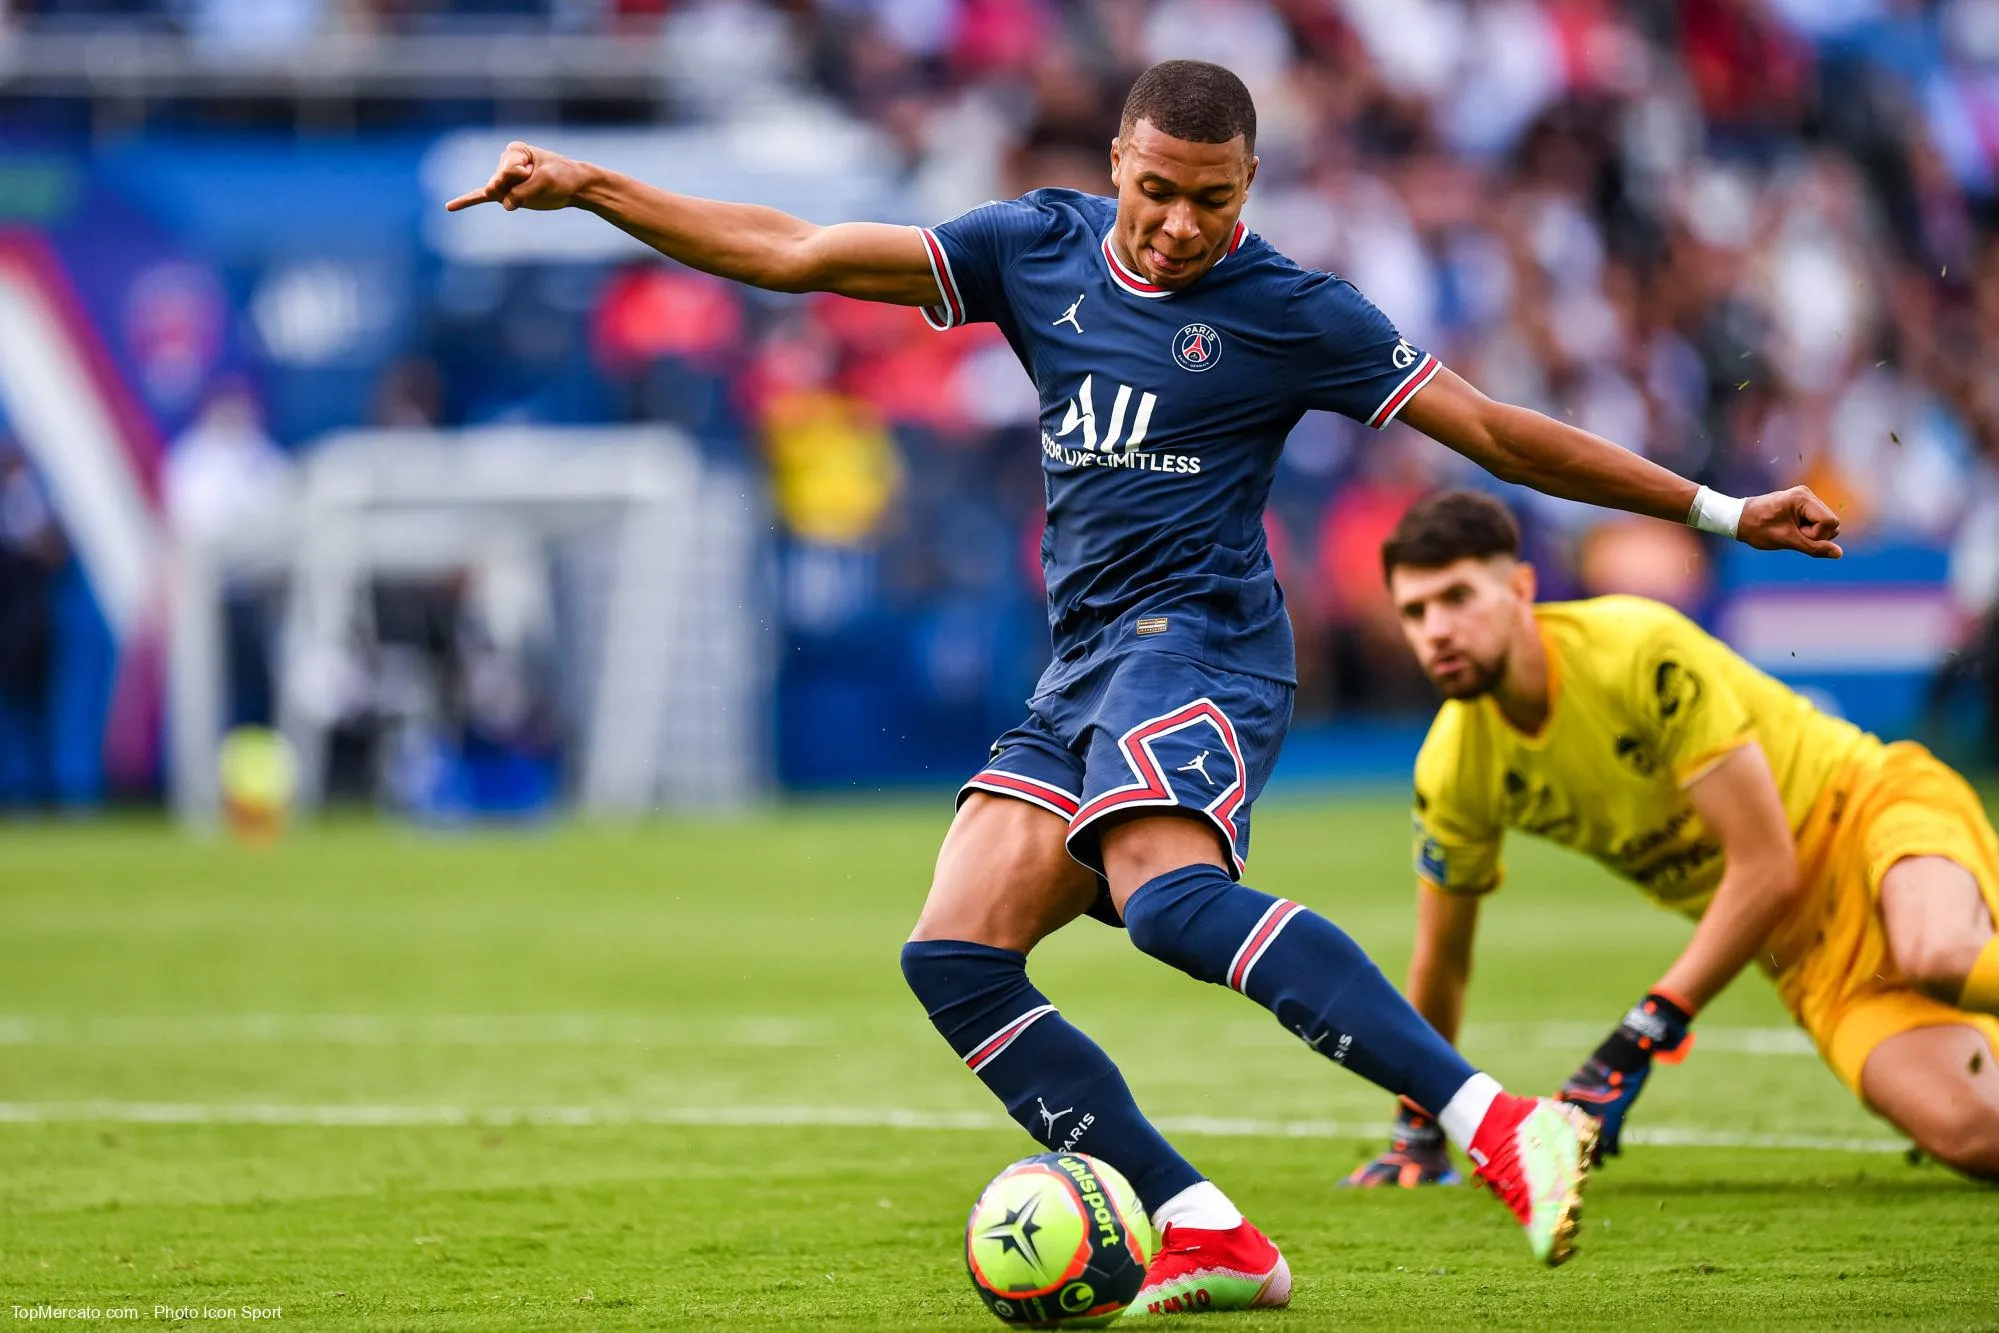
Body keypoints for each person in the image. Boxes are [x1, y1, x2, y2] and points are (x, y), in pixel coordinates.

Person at [449, 60, 1843, 1307]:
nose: (1182, 226)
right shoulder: (1033, 247)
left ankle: (1491, 1121)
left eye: (1214, 201)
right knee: (951, 958)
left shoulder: (1290, 309)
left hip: (1205, 647)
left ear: (1249, 188)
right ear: (1116, 160)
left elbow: (1489, 432)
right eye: (1161, 192)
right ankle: (1200, 1229)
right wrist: (590, 187)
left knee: (1167, 900)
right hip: (1081, 663)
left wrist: (1715, 511)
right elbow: (800, 249)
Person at [1347, 490, 1999, 1190]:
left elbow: (1766, 865)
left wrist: (1635, 1039)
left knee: (1936, 953)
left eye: (1456, 597)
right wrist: (1418, 1126)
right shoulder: (1452, 769)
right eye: (1414, 612)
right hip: (1804, 954)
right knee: (1972, 1137)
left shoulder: (1633, 651)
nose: (1435, 630)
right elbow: (1441, 959)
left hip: (1869, 812)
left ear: (1519, 587)